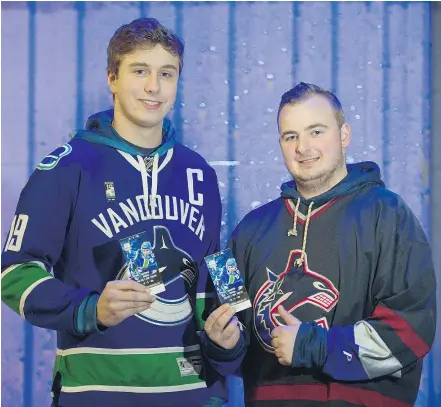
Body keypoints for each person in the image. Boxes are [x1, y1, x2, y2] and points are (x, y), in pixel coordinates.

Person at [1, 18, 244, 407]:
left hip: (192, 394)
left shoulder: (200, 173)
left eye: (167, 73)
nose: (154, 87)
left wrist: (230, 343)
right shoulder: (66, 167)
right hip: (97, 392)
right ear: (112, 77)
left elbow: (216, 282)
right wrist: (88, 309)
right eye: (140, 71)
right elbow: (14, 275)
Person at [202, 82, 437, 407]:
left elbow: (411, 331)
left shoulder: (388, 213)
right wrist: (223, 344)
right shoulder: (248, 231)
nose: (303, 147)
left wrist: (315, 346)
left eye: (316, 131)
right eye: (290, 136)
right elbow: (229, 351)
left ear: (344, 134)